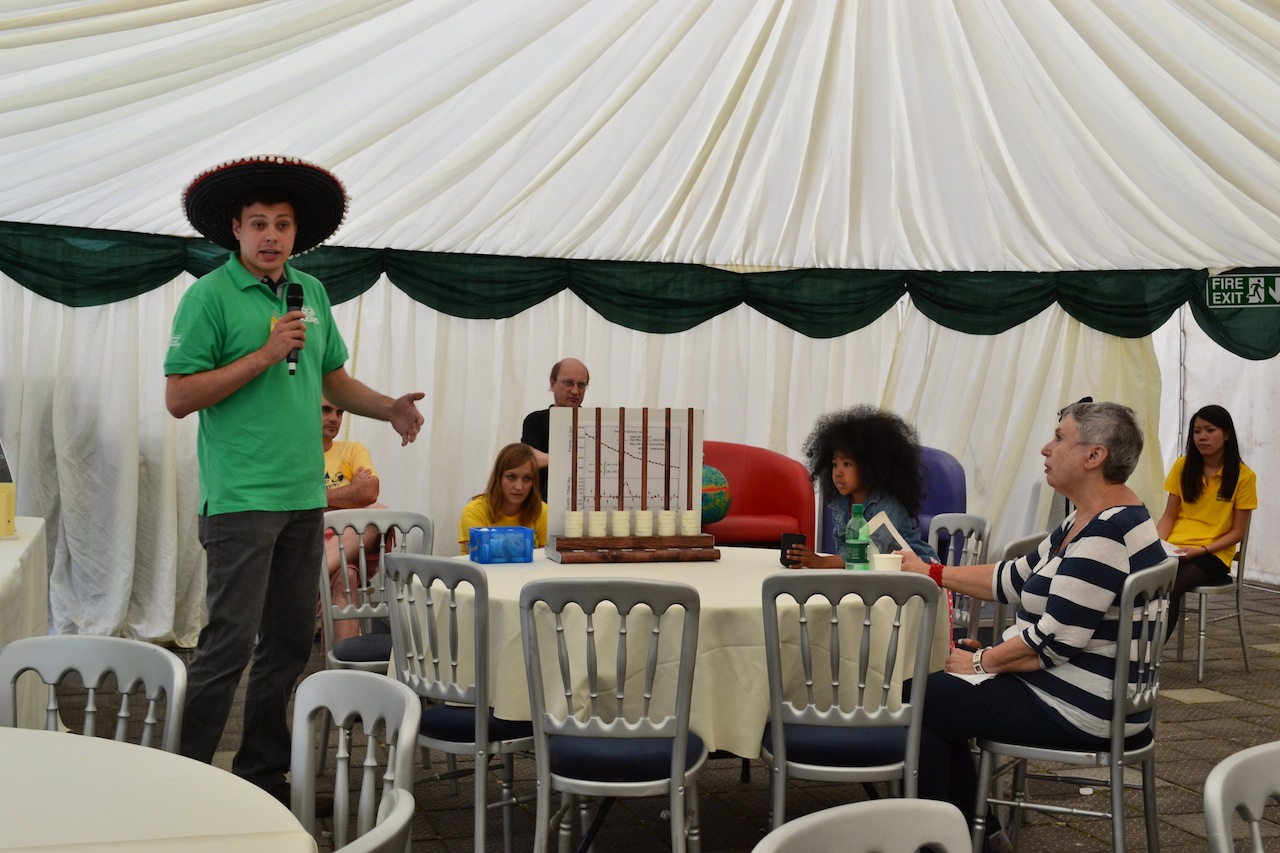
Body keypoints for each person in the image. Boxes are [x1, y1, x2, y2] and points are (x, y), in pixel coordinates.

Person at [164, 156, 425, 806]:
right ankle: (180, 780)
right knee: (227, 644)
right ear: (236, 229)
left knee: (286, 643)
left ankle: (259, 771)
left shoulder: (309, 292)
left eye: (282, 224)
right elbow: (178, 396)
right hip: (240, 503)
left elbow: (332, 378)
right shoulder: (208, 297)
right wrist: (263, 353)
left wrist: (389, 406)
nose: (272, 235)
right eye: (259, 224)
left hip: (304, 497)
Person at [898, 401, 1165, 852]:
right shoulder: (1093, 517)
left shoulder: (1103, 534)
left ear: (1094, 456)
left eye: (1059, 437)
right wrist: (933, 573)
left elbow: (1053, 642)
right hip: (1100, 693)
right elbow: (1013, 578)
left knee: (921, 698)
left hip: (1083, 706)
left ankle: (943, 840)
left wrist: (982, 661)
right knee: (940, 695)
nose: (1046, 448)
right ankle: (973, 835)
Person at [786, 405, 938, 567]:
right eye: (834, 464)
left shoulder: (887, 505)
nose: (838, 472)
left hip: (921, 572)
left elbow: (869, 553)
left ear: (870, 467)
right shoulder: (840, 504)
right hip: (882, 574)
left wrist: (820, 562)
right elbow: (846, 553)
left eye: (847, 464)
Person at [1155, 404, 1256, 637]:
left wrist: (1201, 550)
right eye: (1197, 431)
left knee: (1172, 587)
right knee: (1141, 581)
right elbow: (1169, 516)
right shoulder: (1183, 466)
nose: (1202, 437)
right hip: (1177, 549)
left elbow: (1238, 532)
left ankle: (1151, 661)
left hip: (1213, 555)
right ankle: (1131, 653)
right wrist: (1157, 546)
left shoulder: (1244, 476)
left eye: (1210, 430)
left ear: (1227, 434)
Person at [321, 397, 389, 644]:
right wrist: (348, 495)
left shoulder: (353, 449)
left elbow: (369, 493)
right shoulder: (293, 453)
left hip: (349, 539)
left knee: (379, 512)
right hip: (310, 540)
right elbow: (290, 502)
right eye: (325, 410)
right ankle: (345, 670)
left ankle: (314, 576)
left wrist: (317, 497)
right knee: (346, 576)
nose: (334, 418)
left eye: (340, 411)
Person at [458, 443, 548, 554]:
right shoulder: (474, 511)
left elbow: (548, 560)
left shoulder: (542, 511)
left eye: (527, 478)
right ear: (498, 478)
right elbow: (480, 557)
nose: (519, 487)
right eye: (511, 477)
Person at [520, 358, 589, 498]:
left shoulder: (594, 422)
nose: (575, 391)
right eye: (568, 383)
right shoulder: (536, 421)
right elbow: (528, 456)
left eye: (581, 385)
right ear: (552, 383)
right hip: (542, 506)